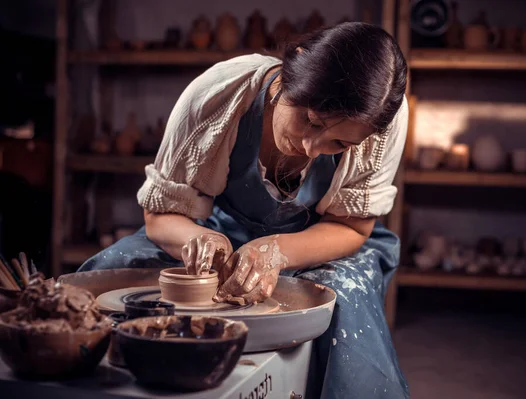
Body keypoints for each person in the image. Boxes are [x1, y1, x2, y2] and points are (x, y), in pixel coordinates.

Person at [79, 21, 410, 398]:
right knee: (114, 271)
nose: (310, 146)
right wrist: (202, 238)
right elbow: (160, 217)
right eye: (310, 120)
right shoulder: (219, 93)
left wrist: (278, 252)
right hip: (221, 226)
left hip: (321, 239)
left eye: (337, 142)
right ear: (293, 71)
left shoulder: (380, 122)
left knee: (342, 298)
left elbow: (352, 228)